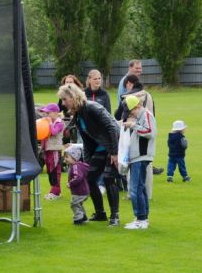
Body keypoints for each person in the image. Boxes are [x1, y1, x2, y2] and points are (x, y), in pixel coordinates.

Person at [58, 83, 121, 226]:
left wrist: (114, 153)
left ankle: (115, 216)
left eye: (64, 99)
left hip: (112, 146)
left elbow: (112, 127)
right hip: (99, 149)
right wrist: (86, 162)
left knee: (108, 178)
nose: (63, 103)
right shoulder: (79, 115)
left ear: (73, 97)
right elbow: (87, 141)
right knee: (90, 178)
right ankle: (100, 213)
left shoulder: (93, 107)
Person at [122, 95, 156, 230]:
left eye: (132, 112)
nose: (132, 115)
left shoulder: (146, 114)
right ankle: (142, 218)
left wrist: (133, 125)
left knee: (135, 189)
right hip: (138, 157)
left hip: (141, 156)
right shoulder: (141, 115)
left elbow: (150, 132)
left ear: (136, 107)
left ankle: (141, 219)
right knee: (140, 187)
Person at [39, 103, 65, 200]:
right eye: (45, 113)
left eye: (48, 113)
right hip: (47, 150)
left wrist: (49, 123)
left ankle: (56, 192)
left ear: (55, 113)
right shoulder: (46, 123)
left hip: (54, 150)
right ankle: (53, 191)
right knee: (50, 171)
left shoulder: (59, 123)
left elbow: (54, 132)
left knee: (55, 171)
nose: (46, 116)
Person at [65, 144, 89, 225]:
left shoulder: (75, 166)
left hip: (80, 191)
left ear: (74, 157)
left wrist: (70, 183)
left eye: (67, 157)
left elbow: (78, 177)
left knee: (74, 204)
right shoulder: (78, 165)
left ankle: (78, 218)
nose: (65, 159)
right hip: (83, 191)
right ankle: (84, 216)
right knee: (78, 204)